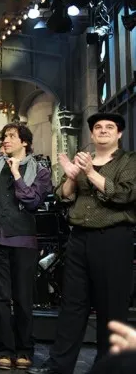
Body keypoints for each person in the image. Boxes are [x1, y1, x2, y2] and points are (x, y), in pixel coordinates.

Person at [29, 113, 136, 374]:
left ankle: (108, 368)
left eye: (109, 127)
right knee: (72, 306)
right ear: (92, 134)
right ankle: (59, 366)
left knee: (112, 308)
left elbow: (124, 194)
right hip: (78, 239)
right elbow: (63, 197)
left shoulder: (129, 161)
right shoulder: (82, 161)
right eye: (98, 127)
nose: (103, 130)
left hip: (113, 239)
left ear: (119, 134)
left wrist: (89, 173)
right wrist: (71, 177)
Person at [0, 75, 52, 370]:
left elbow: (32, 201)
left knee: (23, 298)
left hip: (23, 242)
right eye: (4, 136)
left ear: (25, 143)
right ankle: (4, 349)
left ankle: (24, 349)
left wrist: (17, 174)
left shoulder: (40, 171)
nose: (5, 140)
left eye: (11, 136)